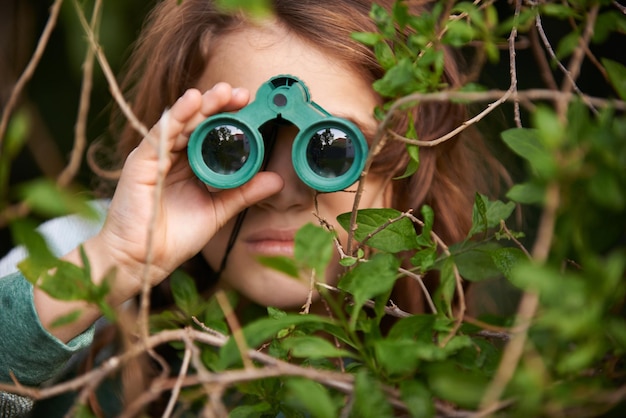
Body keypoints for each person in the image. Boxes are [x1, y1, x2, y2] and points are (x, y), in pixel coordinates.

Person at [0, 0, 503, 415]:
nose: (280, 190)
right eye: (233, 146)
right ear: (177, 142)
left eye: (330, 150)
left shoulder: (463, 378)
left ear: (405, 165)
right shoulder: (76, 256)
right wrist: (118, 261)